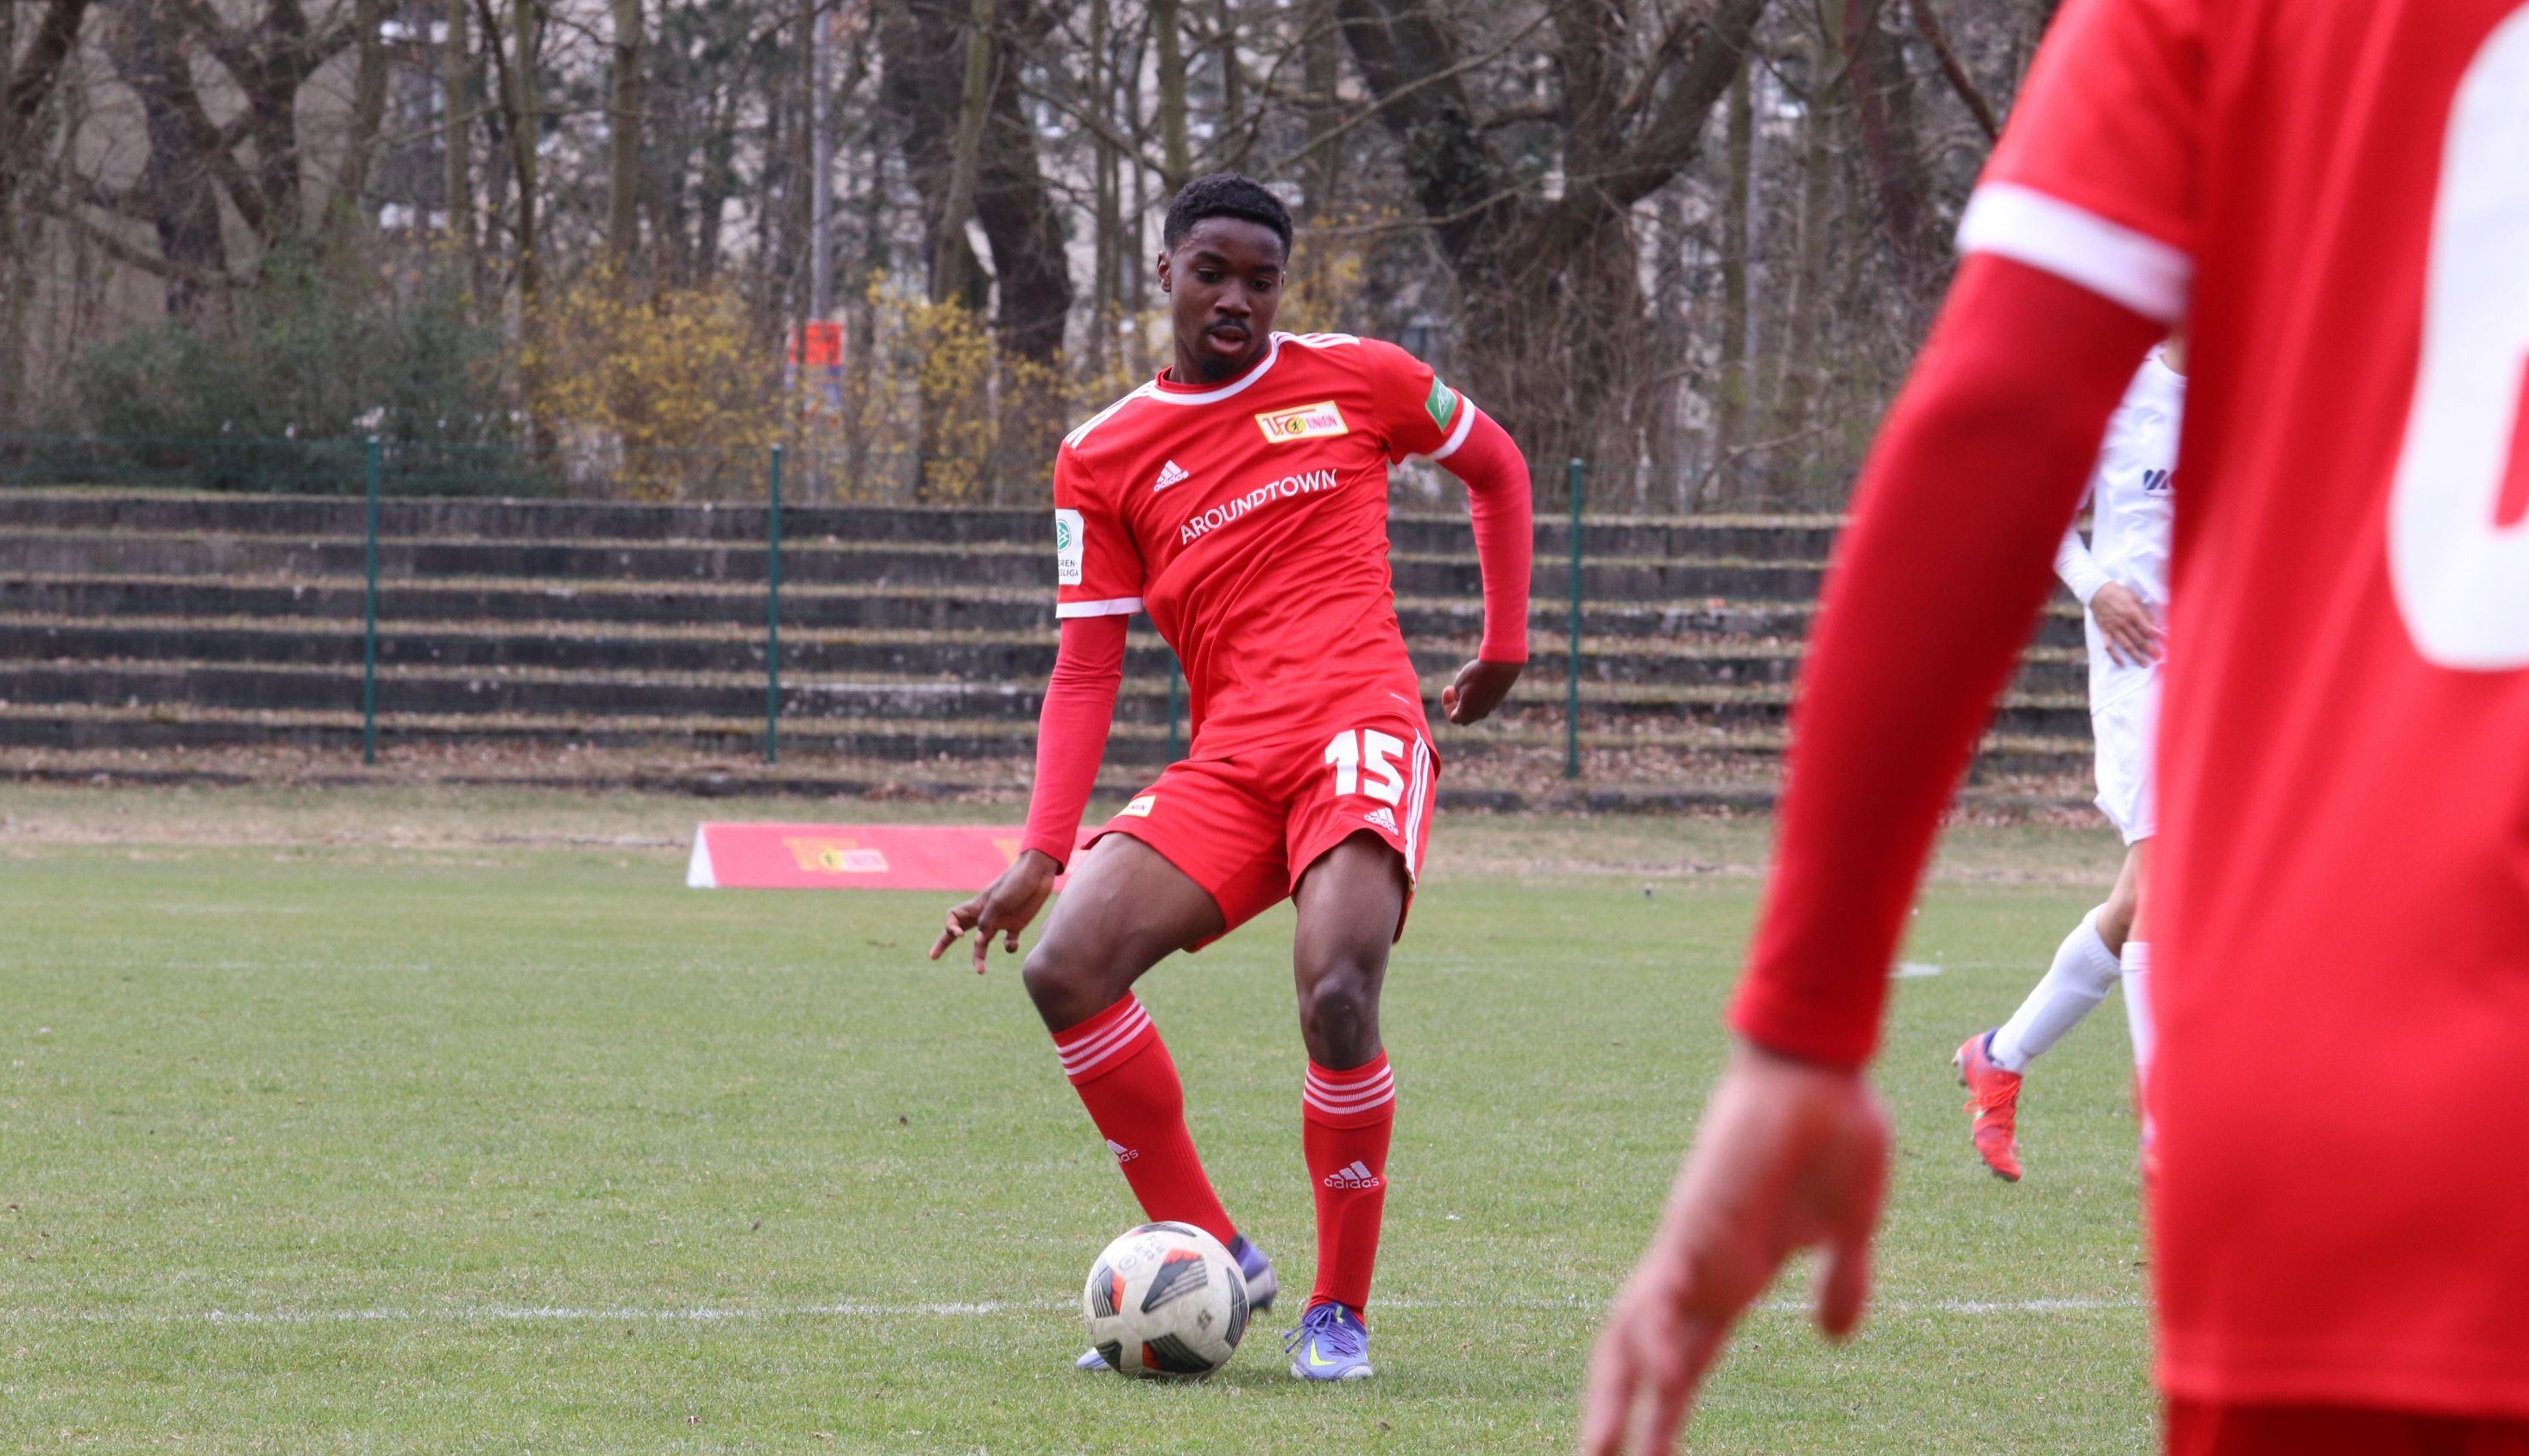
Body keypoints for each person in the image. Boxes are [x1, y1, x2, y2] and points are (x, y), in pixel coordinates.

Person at [1581, 0, 2529, 1451]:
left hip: (2357, 1098)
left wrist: (1802, 1036)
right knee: (2160, 885)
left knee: (2164, 890)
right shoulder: (2184, 357)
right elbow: (2039, 479)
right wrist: (2100, 588)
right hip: (2188, 695)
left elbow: (1983, 428)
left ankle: (2031, 1063)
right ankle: (2087, 1083)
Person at [928, 173, 1535, 1383]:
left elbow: (1500, 467)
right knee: (1065, 968)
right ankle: (1215, 1250)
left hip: (1359, 731)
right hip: (1232, 764)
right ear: (1164, 272)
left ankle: (1336, 1313)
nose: (1236, 299)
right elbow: (1086, 664)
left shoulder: (1356, 375)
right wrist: (1044, 851)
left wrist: (1504, 645)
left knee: (1339, 996)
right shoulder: (1100, 455)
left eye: (1261, 279)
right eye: (1212, 272)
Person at [1954, 338, 2184, 1181]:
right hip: (2138, 664)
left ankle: (1998, 1055)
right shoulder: (2117, 388)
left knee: (2136, 901)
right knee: (2164, 882)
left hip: (2224, 664)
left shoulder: (2257, 385)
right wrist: (2097, 587)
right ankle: (2167, 1129)